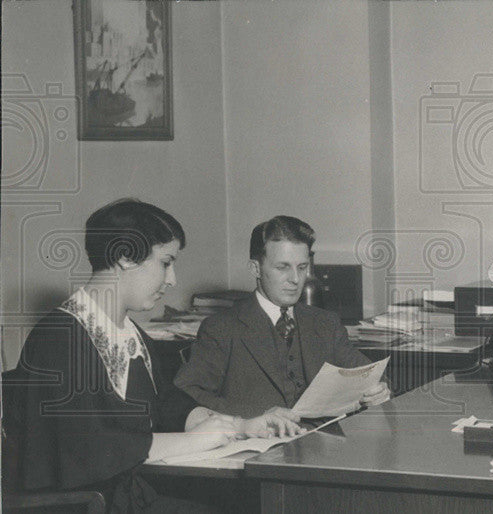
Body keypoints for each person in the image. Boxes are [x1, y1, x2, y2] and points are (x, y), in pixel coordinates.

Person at [1, 199, 303, 512]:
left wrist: (241, 426)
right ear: (124, 257)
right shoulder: (60, 339)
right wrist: (196, 440)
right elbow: (90, 449)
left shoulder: (130, 333)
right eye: (165, 262)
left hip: (130, 497)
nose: (172, 279)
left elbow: (165, 403)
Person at [174, 216, 389, 419]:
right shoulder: (222, 328)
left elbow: (369, 375)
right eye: (282, 267)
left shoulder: (325, 323)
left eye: (302, 267)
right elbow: (185, 395)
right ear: (255, 268)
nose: (295, 279)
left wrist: (378, 390)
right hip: (260, 444)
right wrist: (257, 415)